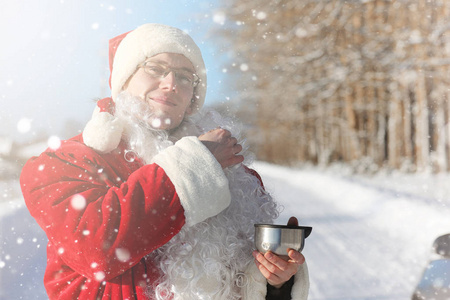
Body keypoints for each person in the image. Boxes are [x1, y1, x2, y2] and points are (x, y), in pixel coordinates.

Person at [20, 23, 309, 300]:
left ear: (192, 96)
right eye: (155, 69)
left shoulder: (234, 173)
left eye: (185, 77)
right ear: (124, 79)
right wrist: (198, 164)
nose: (171, 83)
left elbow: (246, 280)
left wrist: (275, 282)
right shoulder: (64, 162)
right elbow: (97, 249)